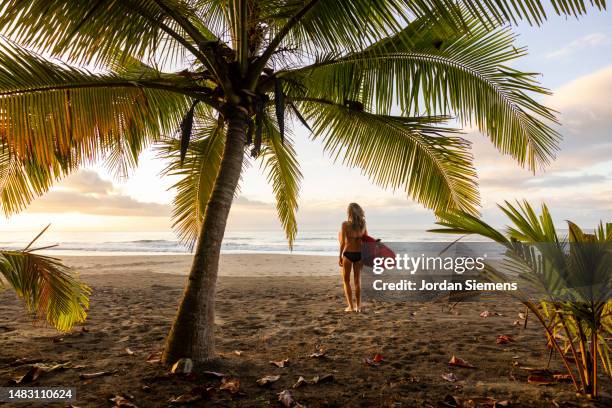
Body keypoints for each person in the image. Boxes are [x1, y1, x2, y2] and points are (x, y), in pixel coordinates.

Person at [338, 203, 367, 312]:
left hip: (348, 254)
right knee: (357, 281)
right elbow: (366, 239)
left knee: (346, 281)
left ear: (349, 213)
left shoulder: (345, 224)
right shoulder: (363, 224)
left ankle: (350, 306)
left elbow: (342, 243)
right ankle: (358, 307)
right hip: (359, 255)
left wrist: (339, 256)